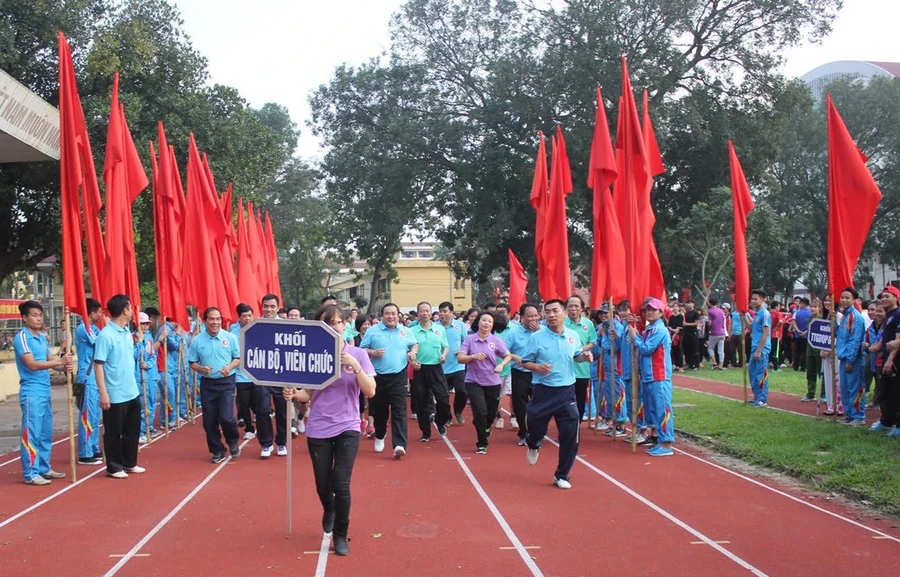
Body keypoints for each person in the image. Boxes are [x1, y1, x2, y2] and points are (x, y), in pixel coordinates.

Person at [283, 304, 376, 556]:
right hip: (319, 427)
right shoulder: (313, 356)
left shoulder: (358, 354)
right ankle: (329, 507)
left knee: (341, 482)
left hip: (348, 426)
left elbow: (370, 391)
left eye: (337, 322)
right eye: (328, 323)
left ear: (345, 325)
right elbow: (306, 395)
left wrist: (355, 365)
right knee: (323, 484)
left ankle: (341, 534)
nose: (334, 327)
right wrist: (293, 393)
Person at [520, 299, 593, 489]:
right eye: (548, 312)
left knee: (571, 434)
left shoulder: (573, 336)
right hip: (543, 391)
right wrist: (537, 367)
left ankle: (562, 475)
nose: (551, 315)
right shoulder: (537, 337)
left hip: (566, 392)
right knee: (535, 426)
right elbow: (525, 361)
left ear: (564, 314)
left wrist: (584, 357)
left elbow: (576, 355)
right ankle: (534, 443)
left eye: (555, 311)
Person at [14, 300, 74, 484]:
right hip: (31, 392)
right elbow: (31, 364)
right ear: (24, 318)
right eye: (34, 315)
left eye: (40, 315)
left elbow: (51, 360)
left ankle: (43, 467)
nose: (38, 318)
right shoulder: (22, 338)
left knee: (45, 432)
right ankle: (30, 473)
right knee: (32, 432)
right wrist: (59, 363)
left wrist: (64, 365)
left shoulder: (41, 337)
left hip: (44, 391)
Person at [94, 294, 145, 479]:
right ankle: (114, 466)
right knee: (114, 432)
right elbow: (98, 365)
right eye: (131, 308)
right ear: (125, 309)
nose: (133, 311)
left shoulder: (126, 334)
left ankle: (130, 462)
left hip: (131, 390)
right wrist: (103, 393)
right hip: (114, 393)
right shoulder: (105, 336)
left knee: (132, 430)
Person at [359, 303, 418, 458]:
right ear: (382, 315)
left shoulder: (405, 331)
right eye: (387, 313)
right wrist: (373, 352)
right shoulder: (373, 331)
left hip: (398, 375)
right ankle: (379, 435)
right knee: (380, 411)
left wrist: (412, 353)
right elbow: (362, 350)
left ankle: (399, 445)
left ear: (398, 315)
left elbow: (414, 344)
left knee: (399, 411)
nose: (391, 316)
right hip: (378, 376)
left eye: (393, 313)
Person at [189, 307, 241, 463]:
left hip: (226, 381)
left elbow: (237, 358)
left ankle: (232, 441)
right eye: (211, 319)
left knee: (226, 417)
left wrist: (229, 367)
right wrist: (201, 369)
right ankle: (217, 450)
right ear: (205, 321)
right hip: (208, 383)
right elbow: (192, 362)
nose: (215, 322)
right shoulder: (197, 341)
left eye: (218, 319)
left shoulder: (230, 338)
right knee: (209, 421)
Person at [457, 311, 512, 454]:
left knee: (490, 413)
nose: (486, 323)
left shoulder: (496, 341)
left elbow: (507, 355)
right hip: (473, 381)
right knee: (480, 411)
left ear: (492, 325)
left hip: (492, 381)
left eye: (489, 321)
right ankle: (482, 443)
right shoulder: (470, 339)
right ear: (478, 322)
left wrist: (501, 365)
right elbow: (460, 358)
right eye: (484, 320)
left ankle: (486, 426)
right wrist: (473, 357)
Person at [628, 298, 674, 456]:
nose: (649, 312)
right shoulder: (649, 329)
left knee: (662, 409)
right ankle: (660, 440)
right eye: (647, 310)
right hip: (648, 375)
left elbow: (647, 348)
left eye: (653, 309)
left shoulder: (660, 330)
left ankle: (667, 443)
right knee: (653, 410)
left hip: (659, 375)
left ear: (661, 312)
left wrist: (634, 336)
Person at [409, 301, 451, 441]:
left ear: (432, 312)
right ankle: (425, 432)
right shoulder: (412, 331)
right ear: (418, 313)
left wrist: (444, 355)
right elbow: (407, 350)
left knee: (443, 398)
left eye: (427, 310)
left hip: (436, 367)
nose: (425, 313)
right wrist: (412, 362)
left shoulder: (440, 329)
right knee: (421, 402)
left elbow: (445, 346)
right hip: (420, 369)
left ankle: (440, 421)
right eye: (422, 311)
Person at [256, 294, 289, 458]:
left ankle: (282, 443)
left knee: (283, 411)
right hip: (261, 376)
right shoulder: (255, 326)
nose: (269, 309)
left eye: (272, 306)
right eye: (266, 306)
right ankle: (266, 443)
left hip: (282, 376)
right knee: (262, 409)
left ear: (277, 307)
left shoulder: (286, 326)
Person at [507, 303, 543, 446]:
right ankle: (524, 432)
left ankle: (537, 432)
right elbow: (503, 351)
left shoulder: (544, 331)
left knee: (539, 405)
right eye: (530, 316)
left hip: (538, 374)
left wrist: (540, 332)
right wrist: (515, 357)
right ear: (522, 317)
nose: (534, 319)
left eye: (536, 315)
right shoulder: (513, 333)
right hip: (520, 373)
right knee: (520, 406)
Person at [74, 298, 103, 465]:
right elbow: (101, 343)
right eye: (99, 312)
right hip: (87, 376)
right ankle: (85, 453)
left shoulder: (93, 328)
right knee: (87, 415)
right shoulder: (83, 328)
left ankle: (93, 446)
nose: (100, 315)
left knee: (94, 415)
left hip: (94, 377)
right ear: (91, 313)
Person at [869, 286, 900, 436]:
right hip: (886, 358)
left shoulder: (899, 314)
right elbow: (885, 338)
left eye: (888, 296)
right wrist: (874, 347)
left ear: (896, 298)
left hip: (895, 361)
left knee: (895, 392)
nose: (884, 299)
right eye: (882, 297)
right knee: (885, 392)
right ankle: (886, 421)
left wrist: (890, 360)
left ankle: (898, 425)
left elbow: (897, 341)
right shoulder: (888, 316)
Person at [836, 287, 866, 425]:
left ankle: (858, 416)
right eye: (842, 297)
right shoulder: (845, 317)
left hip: (853, 359)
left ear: (854, 300)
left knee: (855, 387)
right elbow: (841, 336)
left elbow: (855, 340)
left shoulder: (856, 317)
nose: (844, 300)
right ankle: (849, 414)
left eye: (847, 298)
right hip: (843, 358)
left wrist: (850, 359)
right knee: (845, 388)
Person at [564, 295, 597, 423]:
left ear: (581, 308)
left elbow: (593, 341)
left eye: (576, 306)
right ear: (566, 308)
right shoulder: (562, 323)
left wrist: (579, 349)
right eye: (570, 306)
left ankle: (576, 426)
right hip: (566, 369)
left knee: (580, 399)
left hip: (582, 369)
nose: (573, 308)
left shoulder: (588, 324)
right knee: (565, 400)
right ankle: (566, 425)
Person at [437, 302, 468, 425]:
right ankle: (447, 417)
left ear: (452, 313)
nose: (442, 314)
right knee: (443, 396)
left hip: (458, 365)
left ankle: (458, 411)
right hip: (441, 367)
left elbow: (466, 342)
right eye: (441, 311)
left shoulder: (459, 325)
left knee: (462, 391)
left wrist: (462, 350)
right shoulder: (436, 327)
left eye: (445, 311)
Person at [230, 303, 257, 440]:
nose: (247, 318)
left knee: (258, 404)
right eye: (244, 316)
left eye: (249, 315)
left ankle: (260, 424)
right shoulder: (233, 331)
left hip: (258, 375)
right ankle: (249, 428)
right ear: (239, 318)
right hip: (241, 375)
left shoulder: (260, 328)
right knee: (244, 404)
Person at [135, 312, 161, 443]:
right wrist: (138, 343)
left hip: (150, 375)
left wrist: (148, 364)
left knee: (150, 402)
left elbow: (152, 356)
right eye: (142, 324)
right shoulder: (132, 338)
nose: (145, 327)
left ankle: (147, 428)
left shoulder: (149, 338)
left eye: (146, 324)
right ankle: (139, 431)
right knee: (141, 405)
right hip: (139, 377)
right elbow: (132, 355)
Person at [748, 290, 771, 407]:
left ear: (763, 300)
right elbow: (752, 328)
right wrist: (744, 317)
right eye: (752, 299)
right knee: (752, 372)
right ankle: (756, 396)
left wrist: (759, 350)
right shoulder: (756, 314)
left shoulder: (765, 313)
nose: (753, 301)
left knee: (761, 373)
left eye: (756, 299)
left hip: (762, 348)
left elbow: (765, 333)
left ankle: (763, 398)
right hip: (754, 346)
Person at [791, 298, 811, 374]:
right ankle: (803, 367)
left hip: (797, 335)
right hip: (806, 335)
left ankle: (795, 366)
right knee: (805, 352)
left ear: (803, 303)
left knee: (797, 351)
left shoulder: (797, 312)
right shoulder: (810, 313)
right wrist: (805, 332)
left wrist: (798, 330)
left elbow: (794, 322)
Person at [706, 298, 726, 370]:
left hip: (714, 332)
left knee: (710, 348)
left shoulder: (710, 311)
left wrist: (708, 327)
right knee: (721, 349)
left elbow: (710, 322)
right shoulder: (721, 310)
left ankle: (714, 363)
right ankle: (721, 364)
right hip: (722, 332)